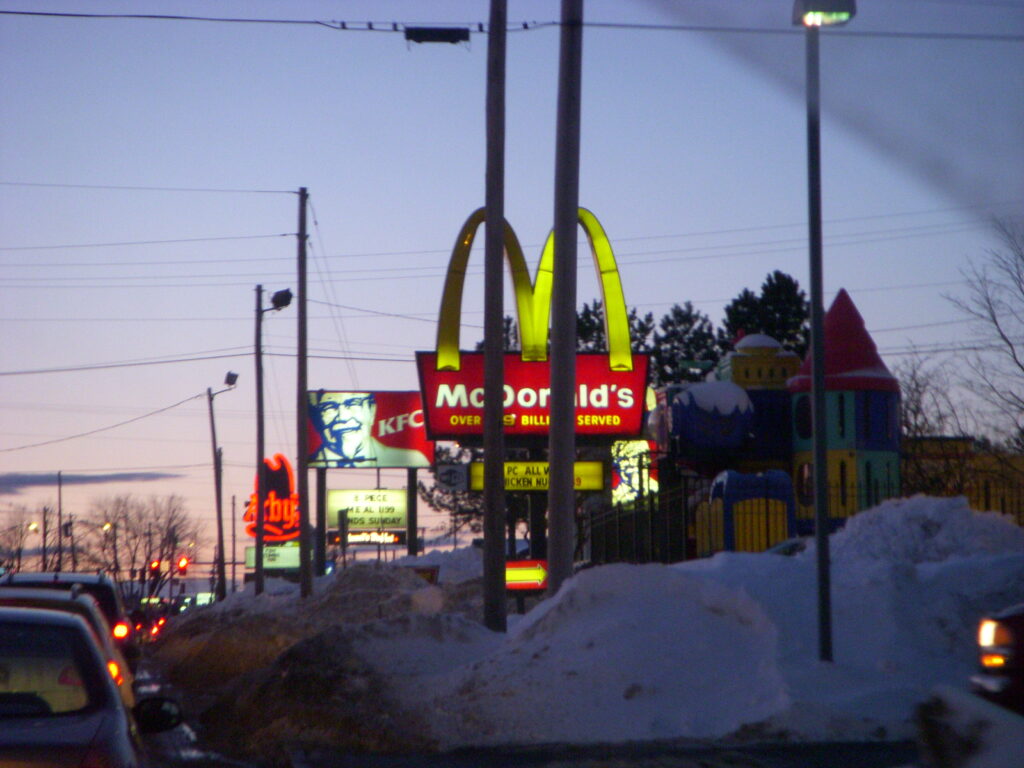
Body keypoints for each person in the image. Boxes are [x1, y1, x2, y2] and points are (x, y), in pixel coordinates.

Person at [308, 391, 429, 468]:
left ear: (371, 411)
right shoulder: (313, 461)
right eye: (328, 407)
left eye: (353, 403)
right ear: (316, 418)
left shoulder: (414, 458)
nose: (343, 417)